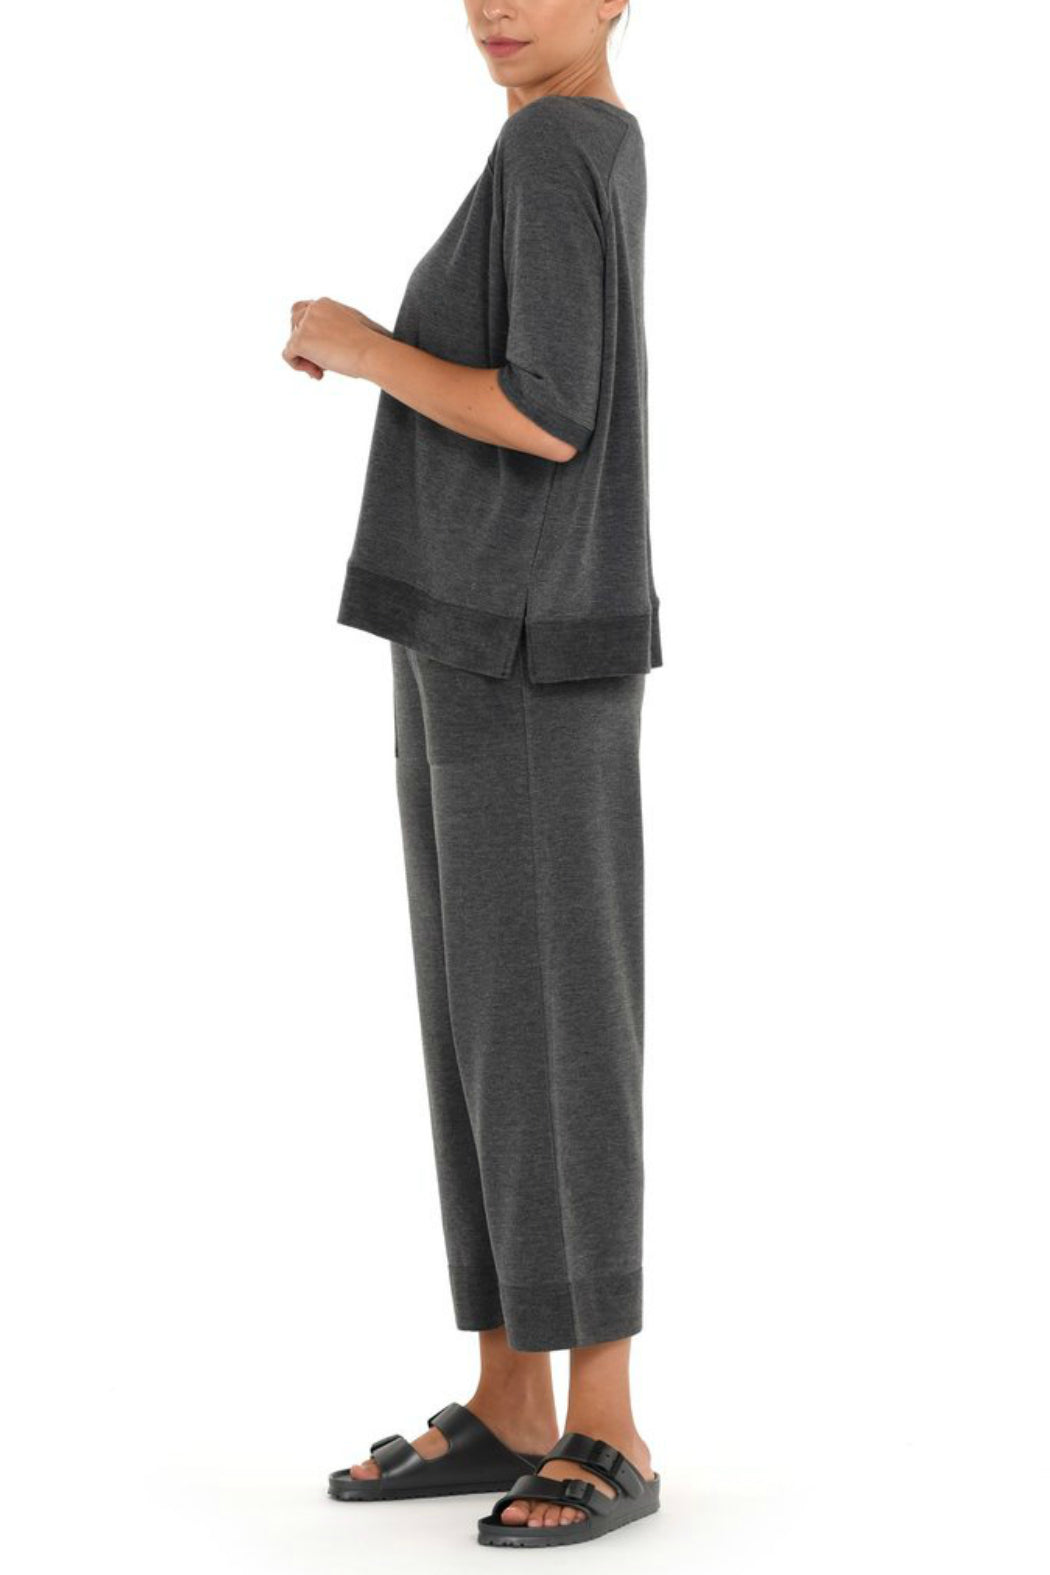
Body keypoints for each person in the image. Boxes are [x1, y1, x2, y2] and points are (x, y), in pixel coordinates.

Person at [282, 1, 662, 1549]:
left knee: (550, 1032)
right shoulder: (545, 145)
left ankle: (605, 1422)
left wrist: (358, 344)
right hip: (470, 631)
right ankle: (511, 1397)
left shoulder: (562, 142)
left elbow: (548, 413)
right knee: (484, 1033)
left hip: (526, 647)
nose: (496, 6)